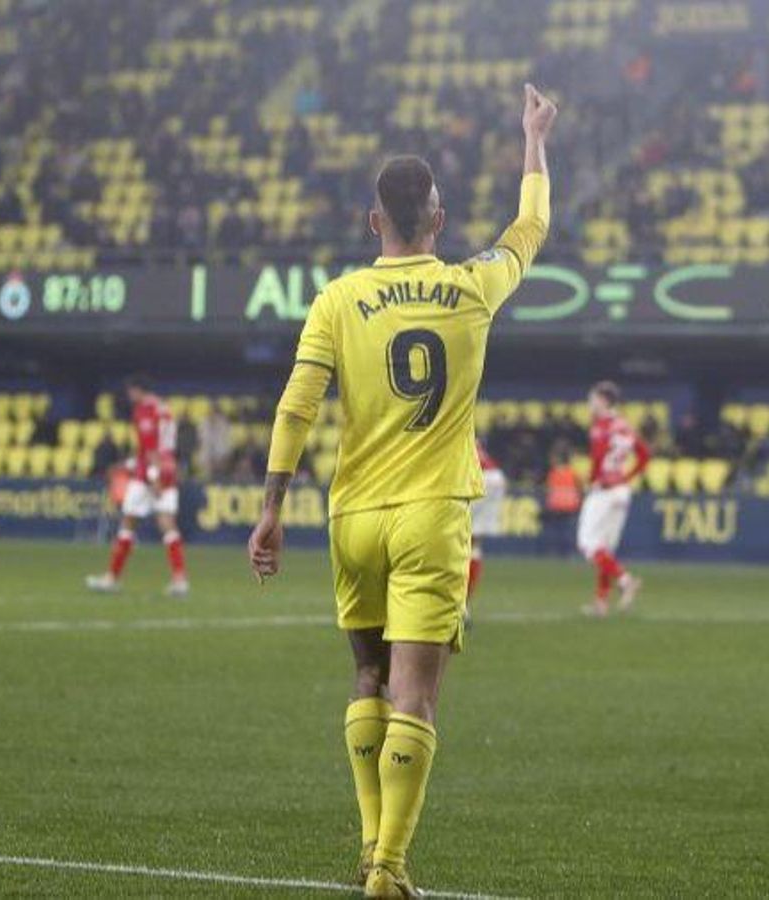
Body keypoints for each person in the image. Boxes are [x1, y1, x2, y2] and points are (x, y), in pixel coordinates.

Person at [248, 84, 557, 899]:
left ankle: (367, 844)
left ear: (373, 220)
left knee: (367, 680)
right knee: (416, 695)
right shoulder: (473, 285)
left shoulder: (338, 299)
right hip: (431, 517)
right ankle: (387, 866)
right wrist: (533, 140)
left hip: (353, 517)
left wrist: (272, 509)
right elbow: (530, 227)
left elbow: (297, 405)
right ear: (439, 220)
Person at [86, 374, 189, 596]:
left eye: (130, 391)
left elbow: (152, 450)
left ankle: (112, 578)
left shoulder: (145, 411)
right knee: (167, 524)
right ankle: (180, 580)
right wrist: (127, 465)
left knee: (129, 523)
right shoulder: (164, 409)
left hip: (149, 476)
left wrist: (153, 477)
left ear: (137, 390)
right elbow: (158, 448)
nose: (129, 395)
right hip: (167, 470)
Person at [578, 380, 649, 617]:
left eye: (593, 398)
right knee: (605, 549)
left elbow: (598, 458)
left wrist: (591, 481)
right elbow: (645, 455)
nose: (590, 403)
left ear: (604, 400)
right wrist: (627, 477)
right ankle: (601, 603)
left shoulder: (601, 426)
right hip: (621, 491)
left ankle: (625, 580)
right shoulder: (625, 426)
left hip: (605, 489)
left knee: (588, 544)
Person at [467, 439, 507, 610]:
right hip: (494, 476)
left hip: (476, 476)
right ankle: (464, 605)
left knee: (461, 541)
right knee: (473, 543)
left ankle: (460, 605)